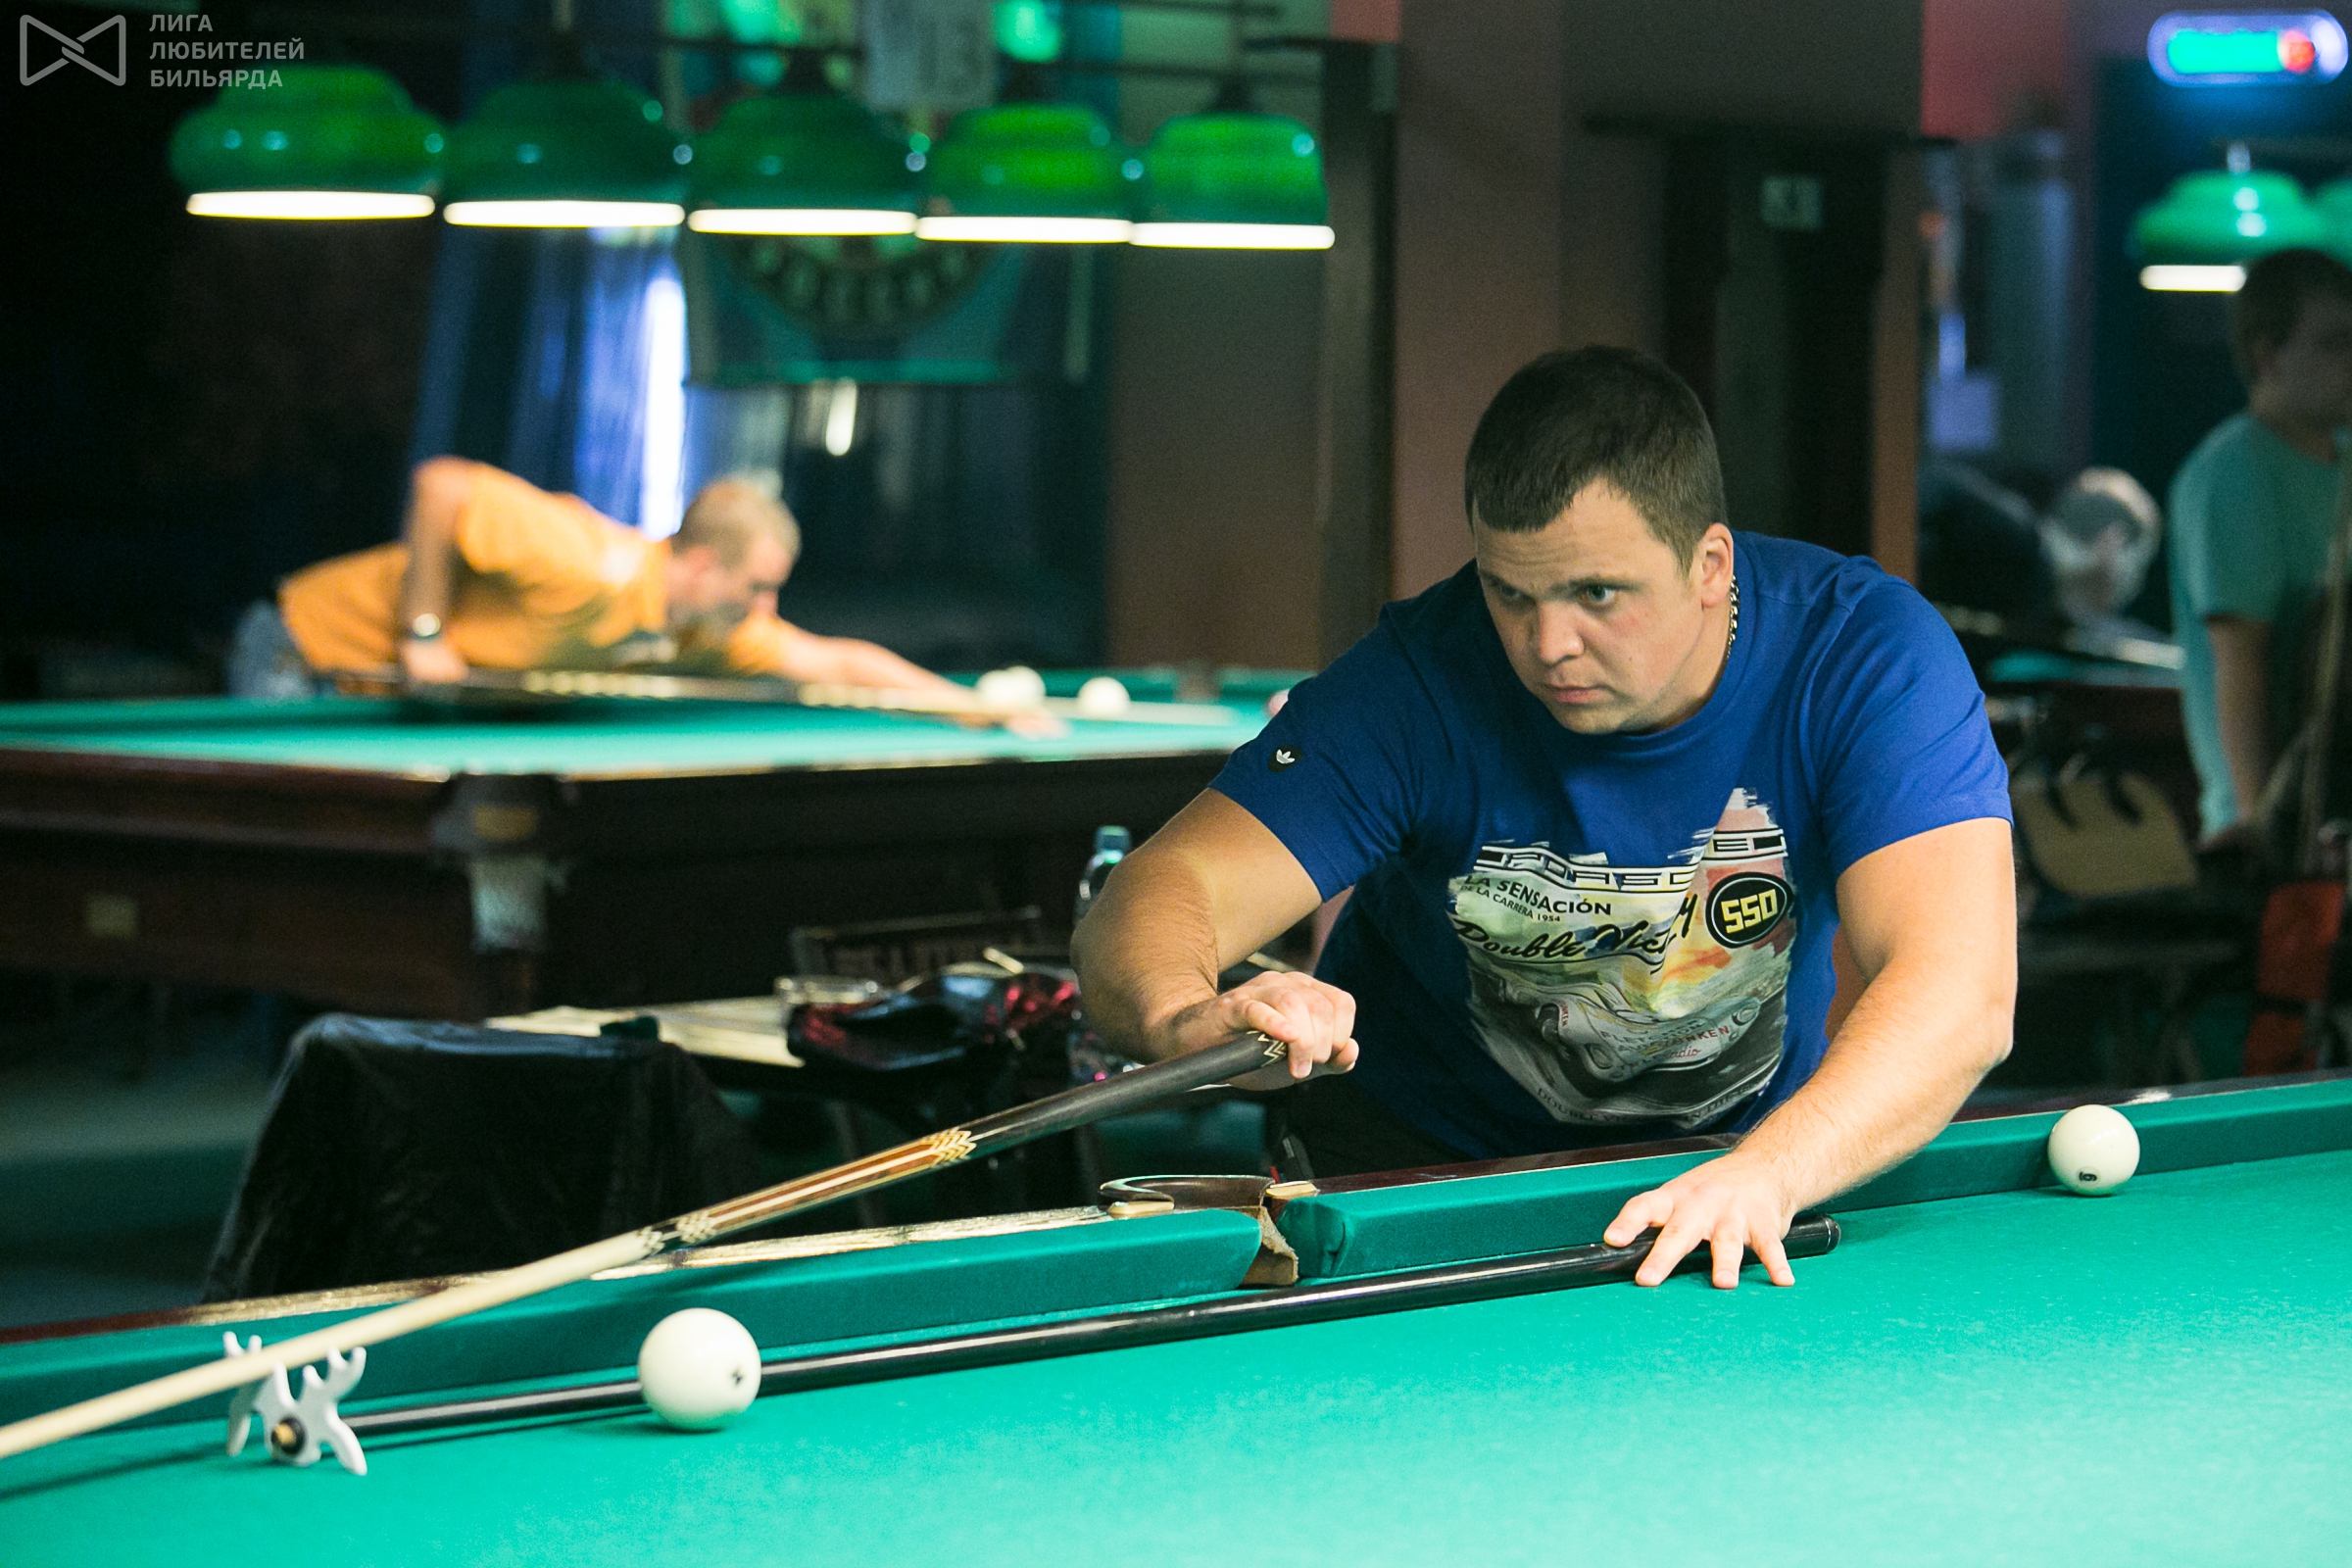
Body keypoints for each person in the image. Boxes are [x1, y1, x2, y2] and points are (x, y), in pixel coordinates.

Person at [1073, 347, 2016, 1291]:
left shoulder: (1859, 653)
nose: (1548, 645)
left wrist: (1771, 1172)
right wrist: (1187, 1016)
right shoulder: (1418, 682)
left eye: (1596, 594)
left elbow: (1961, 990)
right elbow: (1152, 899)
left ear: (1709, 566)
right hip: (1413, 1185)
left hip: (1731, 1173)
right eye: (1510, 593)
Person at [230, 458, 962, 701]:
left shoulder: (699, 630)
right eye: (755, 589)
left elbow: (835, 662)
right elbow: (441, 485)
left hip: (371, 697)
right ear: (702, 565)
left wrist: (971, 705)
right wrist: (423, 633)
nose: (765, 609)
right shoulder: (583, 564)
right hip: (302, 651)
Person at [2168, 248, 2352, 842]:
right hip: (2281, 830)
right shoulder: (2235, 471)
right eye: (2335, 343)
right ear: (2267, 356)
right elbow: (2239, 664)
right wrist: (2260, 834)